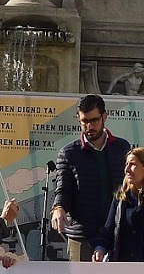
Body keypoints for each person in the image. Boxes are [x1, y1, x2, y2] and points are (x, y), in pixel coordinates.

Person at [51, 94, 131, 261]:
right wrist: (58, 207)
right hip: (82, 236)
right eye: (84, 121)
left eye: (94, 120)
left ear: (105, 117)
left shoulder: (122, 147)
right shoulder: (68, 153)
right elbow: (63, 188)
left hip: (118, 234)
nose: (89, 126)